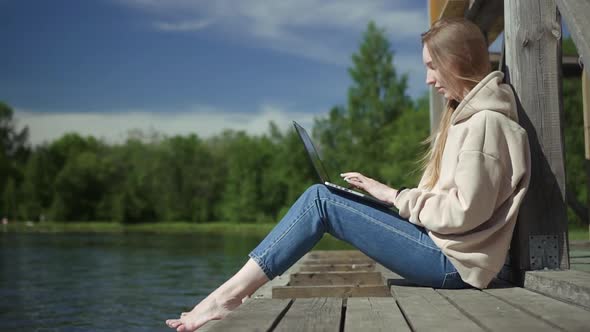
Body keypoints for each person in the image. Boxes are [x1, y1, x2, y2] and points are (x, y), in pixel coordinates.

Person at [166, 17, 531, 332]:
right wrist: (382, 196)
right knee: (327, 197)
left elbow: (464, 212)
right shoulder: (470, 119)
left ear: (455, 62)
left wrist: (394, 196)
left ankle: (225, 298)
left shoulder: (485, 125)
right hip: (445, 249)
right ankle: (227, 295)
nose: (427, 79)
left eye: (432, 66)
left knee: (320, 201)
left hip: (455, 265)